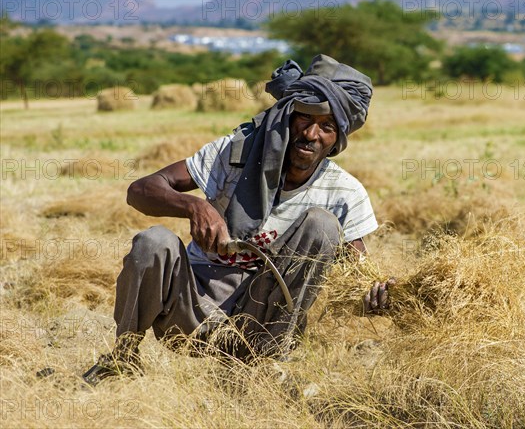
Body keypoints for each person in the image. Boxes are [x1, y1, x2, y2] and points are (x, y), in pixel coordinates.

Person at [82, 54, 390, 386]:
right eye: (304, 118)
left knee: (322, 225)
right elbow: (139, 191)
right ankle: (123, 357)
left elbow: (357, 274)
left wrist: (377, 294)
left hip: (261, 322)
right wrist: (194, 207)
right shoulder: (234, 155)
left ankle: (271, 365)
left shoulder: (344, 192)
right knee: (153, 241)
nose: (311, 134)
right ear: (286, 116)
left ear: (337, 140)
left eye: (327, 126)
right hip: (190, 310)